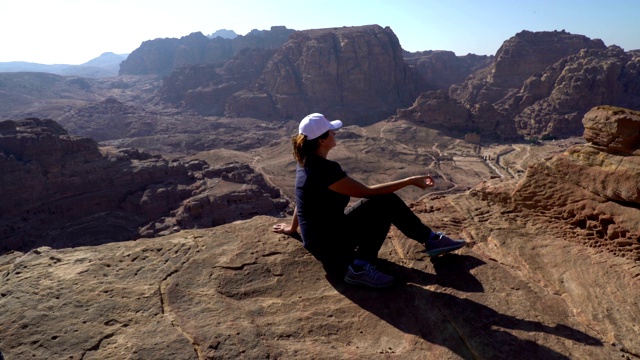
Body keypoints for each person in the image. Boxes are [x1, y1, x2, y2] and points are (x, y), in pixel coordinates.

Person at [272, 113, 466, 288]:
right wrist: (410, 181)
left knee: (382, 203)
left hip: (321, 236)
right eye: (331, 132)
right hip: (328, 243)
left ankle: (430, 240)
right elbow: (367, 192)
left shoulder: (304, 161)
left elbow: (302, 200)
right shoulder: (325, 170)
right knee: (383, 204)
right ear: (322, 141)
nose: (335, 134)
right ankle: (359, 268)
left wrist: (292, 228)